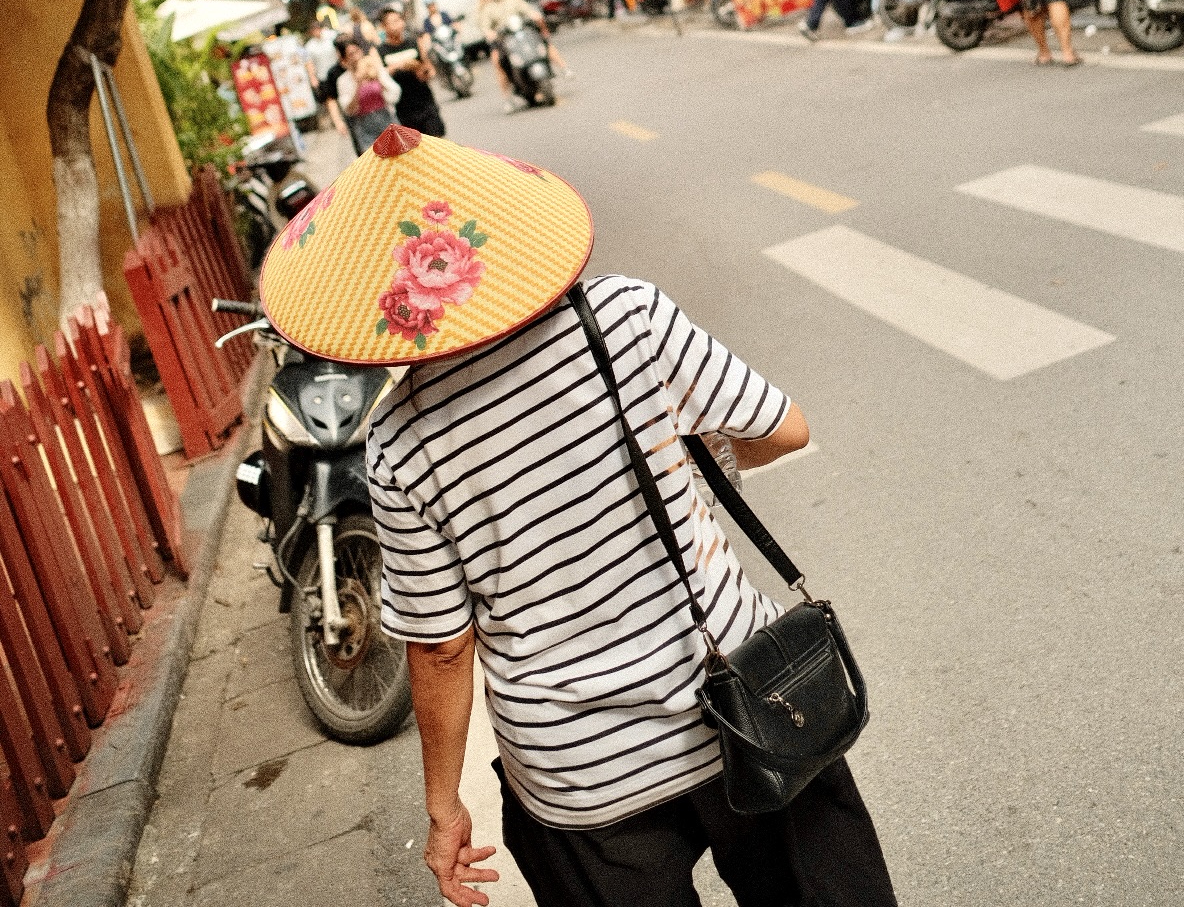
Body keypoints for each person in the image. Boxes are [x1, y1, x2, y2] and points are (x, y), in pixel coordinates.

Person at [258, 129, 898, 907]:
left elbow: (442, 649)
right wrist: (681, 470)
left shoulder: (400, 440)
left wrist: (442, 806)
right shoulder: (626, 316)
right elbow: (783, 428)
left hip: (580, 780)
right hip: (746, 702)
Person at [478, 0, 568, 109]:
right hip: (503, 39)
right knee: (498, 61)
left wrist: (535, 16)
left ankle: (564, 68)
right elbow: (484, 27)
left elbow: (526, 9)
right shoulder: (485, 5)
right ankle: (507, 98)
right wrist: (490, 33)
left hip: (521, 32)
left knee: (544, 43)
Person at [380, 2, 446, 138]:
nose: (399, 24)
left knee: (438, 143)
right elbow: (380, 76)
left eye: (400, 20)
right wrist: (397, 66)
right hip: (403, 110)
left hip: (425, 103)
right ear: (384, 27)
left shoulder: (414, 42)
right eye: (394, 22)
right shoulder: (381, 51)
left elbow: (429, 69)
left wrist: (419, 68)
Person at [335, 36, 400, 151]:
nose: (356, 57)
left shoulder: (376, 70)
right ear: (344, 59)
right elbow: (348, 109)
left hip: (386, 119)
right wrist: (358, 85)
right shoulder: (343, 80)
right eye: (351, 54)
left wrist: (378, 80)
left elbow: (395, 93)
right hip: (364, 126)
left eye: (357, 51)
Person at [302, 17, 340, 100]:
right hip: (323, 76)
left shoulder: (331, 36)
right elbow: (309, 63)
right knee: (330, 99)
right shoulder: (309, 46)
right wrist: (313, 78)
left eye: (317, 29)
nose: (316, 32)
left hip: (337, 71)